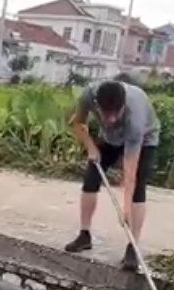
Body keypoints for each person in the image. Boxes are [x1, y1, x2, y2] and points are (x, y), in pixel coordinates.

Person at [63, 79, 160, 272]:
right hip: (110, 138)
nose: (111, 119)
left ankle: (133, 247)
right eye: (106, 114)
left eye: (116, 113)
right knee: (91, 179)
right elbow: (77, 122)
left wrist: (125, 207)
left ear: (123, 106)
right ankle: (84, 235)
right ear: (97, 105)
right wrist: (91, 147)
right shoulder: (89, 95)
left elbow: (130, 173)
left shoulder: (135, 118)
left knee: (137, 190)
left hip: (145, 141)